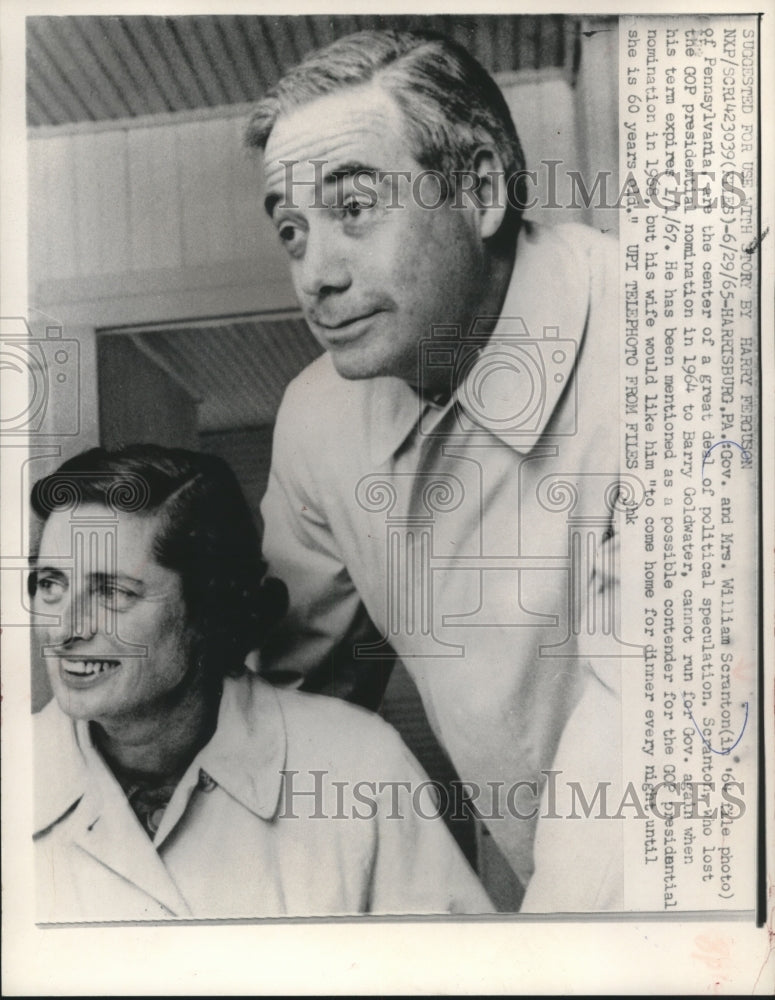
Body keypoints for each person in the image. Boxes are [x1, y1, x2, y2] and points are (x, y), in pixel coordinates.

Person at [247, 28, 630, 911]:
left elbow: (641, 737)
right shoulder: (317, 418)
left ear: (482, 190)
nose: (315, 276)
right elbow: (290, 708)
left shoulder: (656, 344)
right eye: (292, 232)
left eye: (354, 208)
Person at [30, 444, 492, 921]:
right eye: (50, 585)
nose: (65, 629)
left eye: (112, 592)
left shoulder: (361, 767)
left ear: (209, 607)